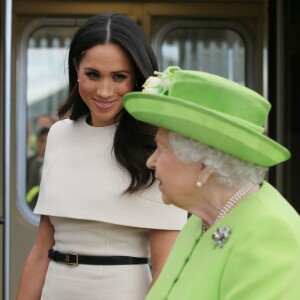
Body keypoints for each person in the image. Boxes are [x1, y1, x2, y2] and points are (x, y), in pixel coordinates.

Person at [17, 15, 187, 300]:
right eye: (93, 74)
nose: (104, 91)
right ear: (76, 70)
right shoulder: (59, 134)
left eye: (119, 76)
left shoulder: (157, 145)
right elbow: (40, 250)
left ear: (137, 77)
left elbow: (166, 269)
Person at [123, 66, 300, 299]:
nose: (150, 161)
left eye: (161, 149)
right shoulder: (199, 221)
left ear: (204, 166)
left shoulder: (269, 231)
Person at [26, 126, 50, 210]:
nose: (44, 145)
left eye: (48, 141)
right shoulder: (29, 162)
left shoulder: (57, 164)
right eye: (42, 141)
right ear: (37, 142)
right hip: (30, 207)